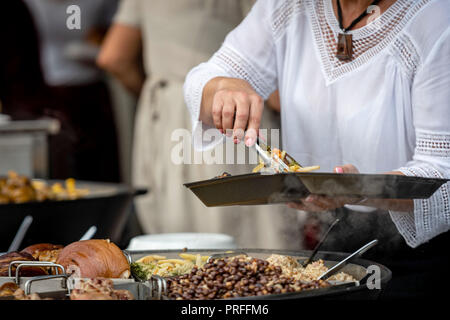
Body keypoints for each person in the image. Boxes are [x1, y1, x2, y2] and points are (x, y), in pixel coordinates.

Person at [184, 0, 450, 298]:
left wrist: (363, 189)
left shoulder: (437, 20)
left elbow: (442, 175)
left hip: (426, 255)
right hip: (333, 234)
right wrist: (222, 87)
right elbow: (203, 78)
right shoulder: (287, 7)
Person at [97, 0, 304, 249]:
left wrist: (168, 100)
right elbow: (277, 96)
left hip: (161, 119)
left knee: (176, 251)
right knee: (250, 248)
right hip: (226, 122)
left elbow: (113, 57)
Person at [22, 0, 121, 182]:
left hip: (90, 92)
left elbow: (113, 39)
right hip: (44, 93)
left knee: (98, 167)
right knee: (53, 168)